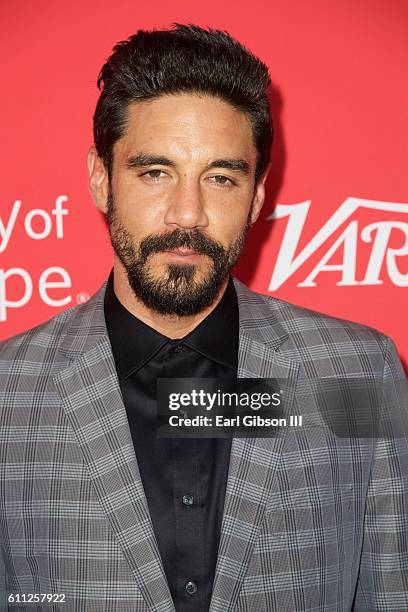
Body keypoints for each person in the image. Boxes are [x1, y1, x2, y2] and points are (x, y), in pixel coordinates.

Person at [0, 24, 407, 612]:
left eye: (220, 177)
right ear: (100, 178)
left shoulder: (356, 366)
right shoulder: (10, 390)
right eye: (155, 172)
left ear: (258, 196)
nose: (187, 213)